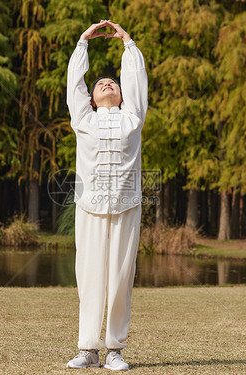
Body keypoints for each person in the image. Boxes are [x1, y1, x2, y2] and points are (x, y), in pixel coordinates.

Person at [65, 20, 148, 371]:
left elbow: (137, 83)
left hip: (126, 206)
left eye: (112, 82)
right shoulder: (83, 118)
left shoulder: (132, 117)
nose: (107, 83)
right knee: (90, 277)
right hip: (90, 208)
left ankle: (114, 349)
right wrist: (83, 42)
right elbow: (74, 84)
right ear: (92, 97)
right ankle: (88, 348)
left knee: (119, 277)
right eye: (101, 83)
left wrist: (128, 43)